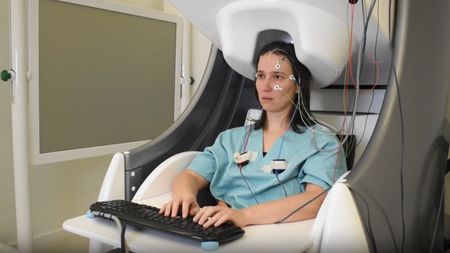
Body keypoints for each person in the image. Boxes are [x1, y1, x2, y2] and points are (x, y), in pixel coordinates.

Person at [159, 41, 347, 228]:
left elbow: (315, 201)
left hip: (281, 234)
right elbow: (190, 175)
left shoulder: (322, 142)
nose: (265, 86)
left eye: (278, 77)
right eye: (260, 75)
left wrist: (243, 216)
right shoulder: (230, 139)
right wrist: (185, 197)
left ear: (299, 85)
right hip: (223, 228)